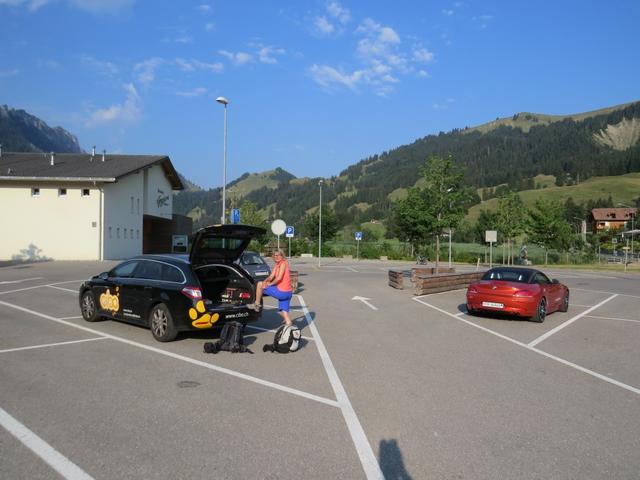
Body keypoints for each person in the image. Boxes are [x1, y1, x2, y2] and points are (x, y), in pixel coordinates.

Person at [248, 249, 293, 326]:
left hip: (282, 292)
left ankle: (257, 304)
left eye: (278, 255)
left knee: (259, 284)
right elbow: (271, 276)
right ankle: (289, 323)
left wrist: (270, 284)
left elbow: (279, 278)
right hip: (288, 293)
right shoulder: (277, 265)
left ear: (282, 256)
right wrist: (265, 281)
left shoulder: (283, 263)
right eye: (275, 255)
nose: (276, 257)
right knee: (282, 311)